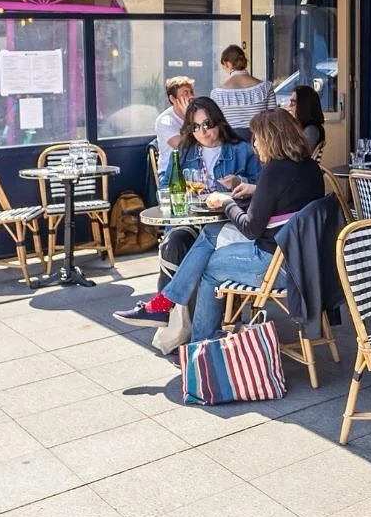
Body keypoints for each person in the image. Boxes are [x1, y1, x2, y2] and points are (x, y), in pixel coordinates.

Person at [119, 109, 326, 345]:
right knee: (211, 232)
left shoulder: (274, 171)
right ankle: (165, 304)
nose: (254, 143)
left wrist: (227, 202)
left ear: (270, 137)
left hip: (276, 266)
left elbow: (251, 229)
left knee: (209, 267)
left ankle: (201, 346)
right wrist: (256, 190)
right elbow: (288, 199)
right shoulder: (309, 167)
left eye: (257, 137)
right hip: (302, 260)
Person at [115, 98, 260, 323]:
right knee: (174, 243)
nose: (202, 132)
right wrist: (177, 195)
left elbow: (261, 188)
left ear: (219, 122)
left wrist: (238, 182)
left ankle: (173, 309)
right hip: (192, 221)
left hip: (228, 225)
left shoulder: (241, 150)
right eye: (195, 127)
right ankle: (171, 318)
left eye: (207, 124)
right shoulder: (185, 151)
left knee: (206, 249)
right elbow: (165, 186)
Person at [210, 44, 275, 138]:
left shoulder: (217, 94)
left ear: (227, 63)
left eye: (223, 65)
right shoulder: (266, 87)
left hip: (232, 144)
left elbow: (217, 125)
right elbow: (273, 119)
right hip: (261, 142)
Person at [153, 77, 193, 176]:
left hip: (193, 169)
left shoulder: (197, 114)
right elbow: (183, 146)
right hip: (170, 173)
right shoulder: (165, 120)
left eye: (191, 92)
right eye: (186, 93)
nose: (191, 96)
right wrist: (189, 118)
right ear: (173, 99)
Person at [287, 84, 326, 155]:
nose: (289, 106)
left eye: (293, 103)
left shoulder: (311, 129)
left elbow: (300, 156)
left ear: (303, 105)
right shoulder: (302, 126)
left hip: (297, 165)